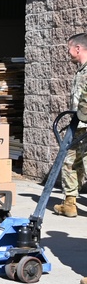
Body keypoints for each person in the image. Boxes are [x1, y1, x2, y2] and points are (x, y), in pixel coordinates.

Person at [54, 33, 87, 221]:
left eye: (69, 48)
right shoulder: (81, 70)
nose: (68, 52)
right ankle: (70, 204)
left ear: (77, 49)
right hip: (77, 126)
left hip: (86, 127)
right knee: (70, 163)